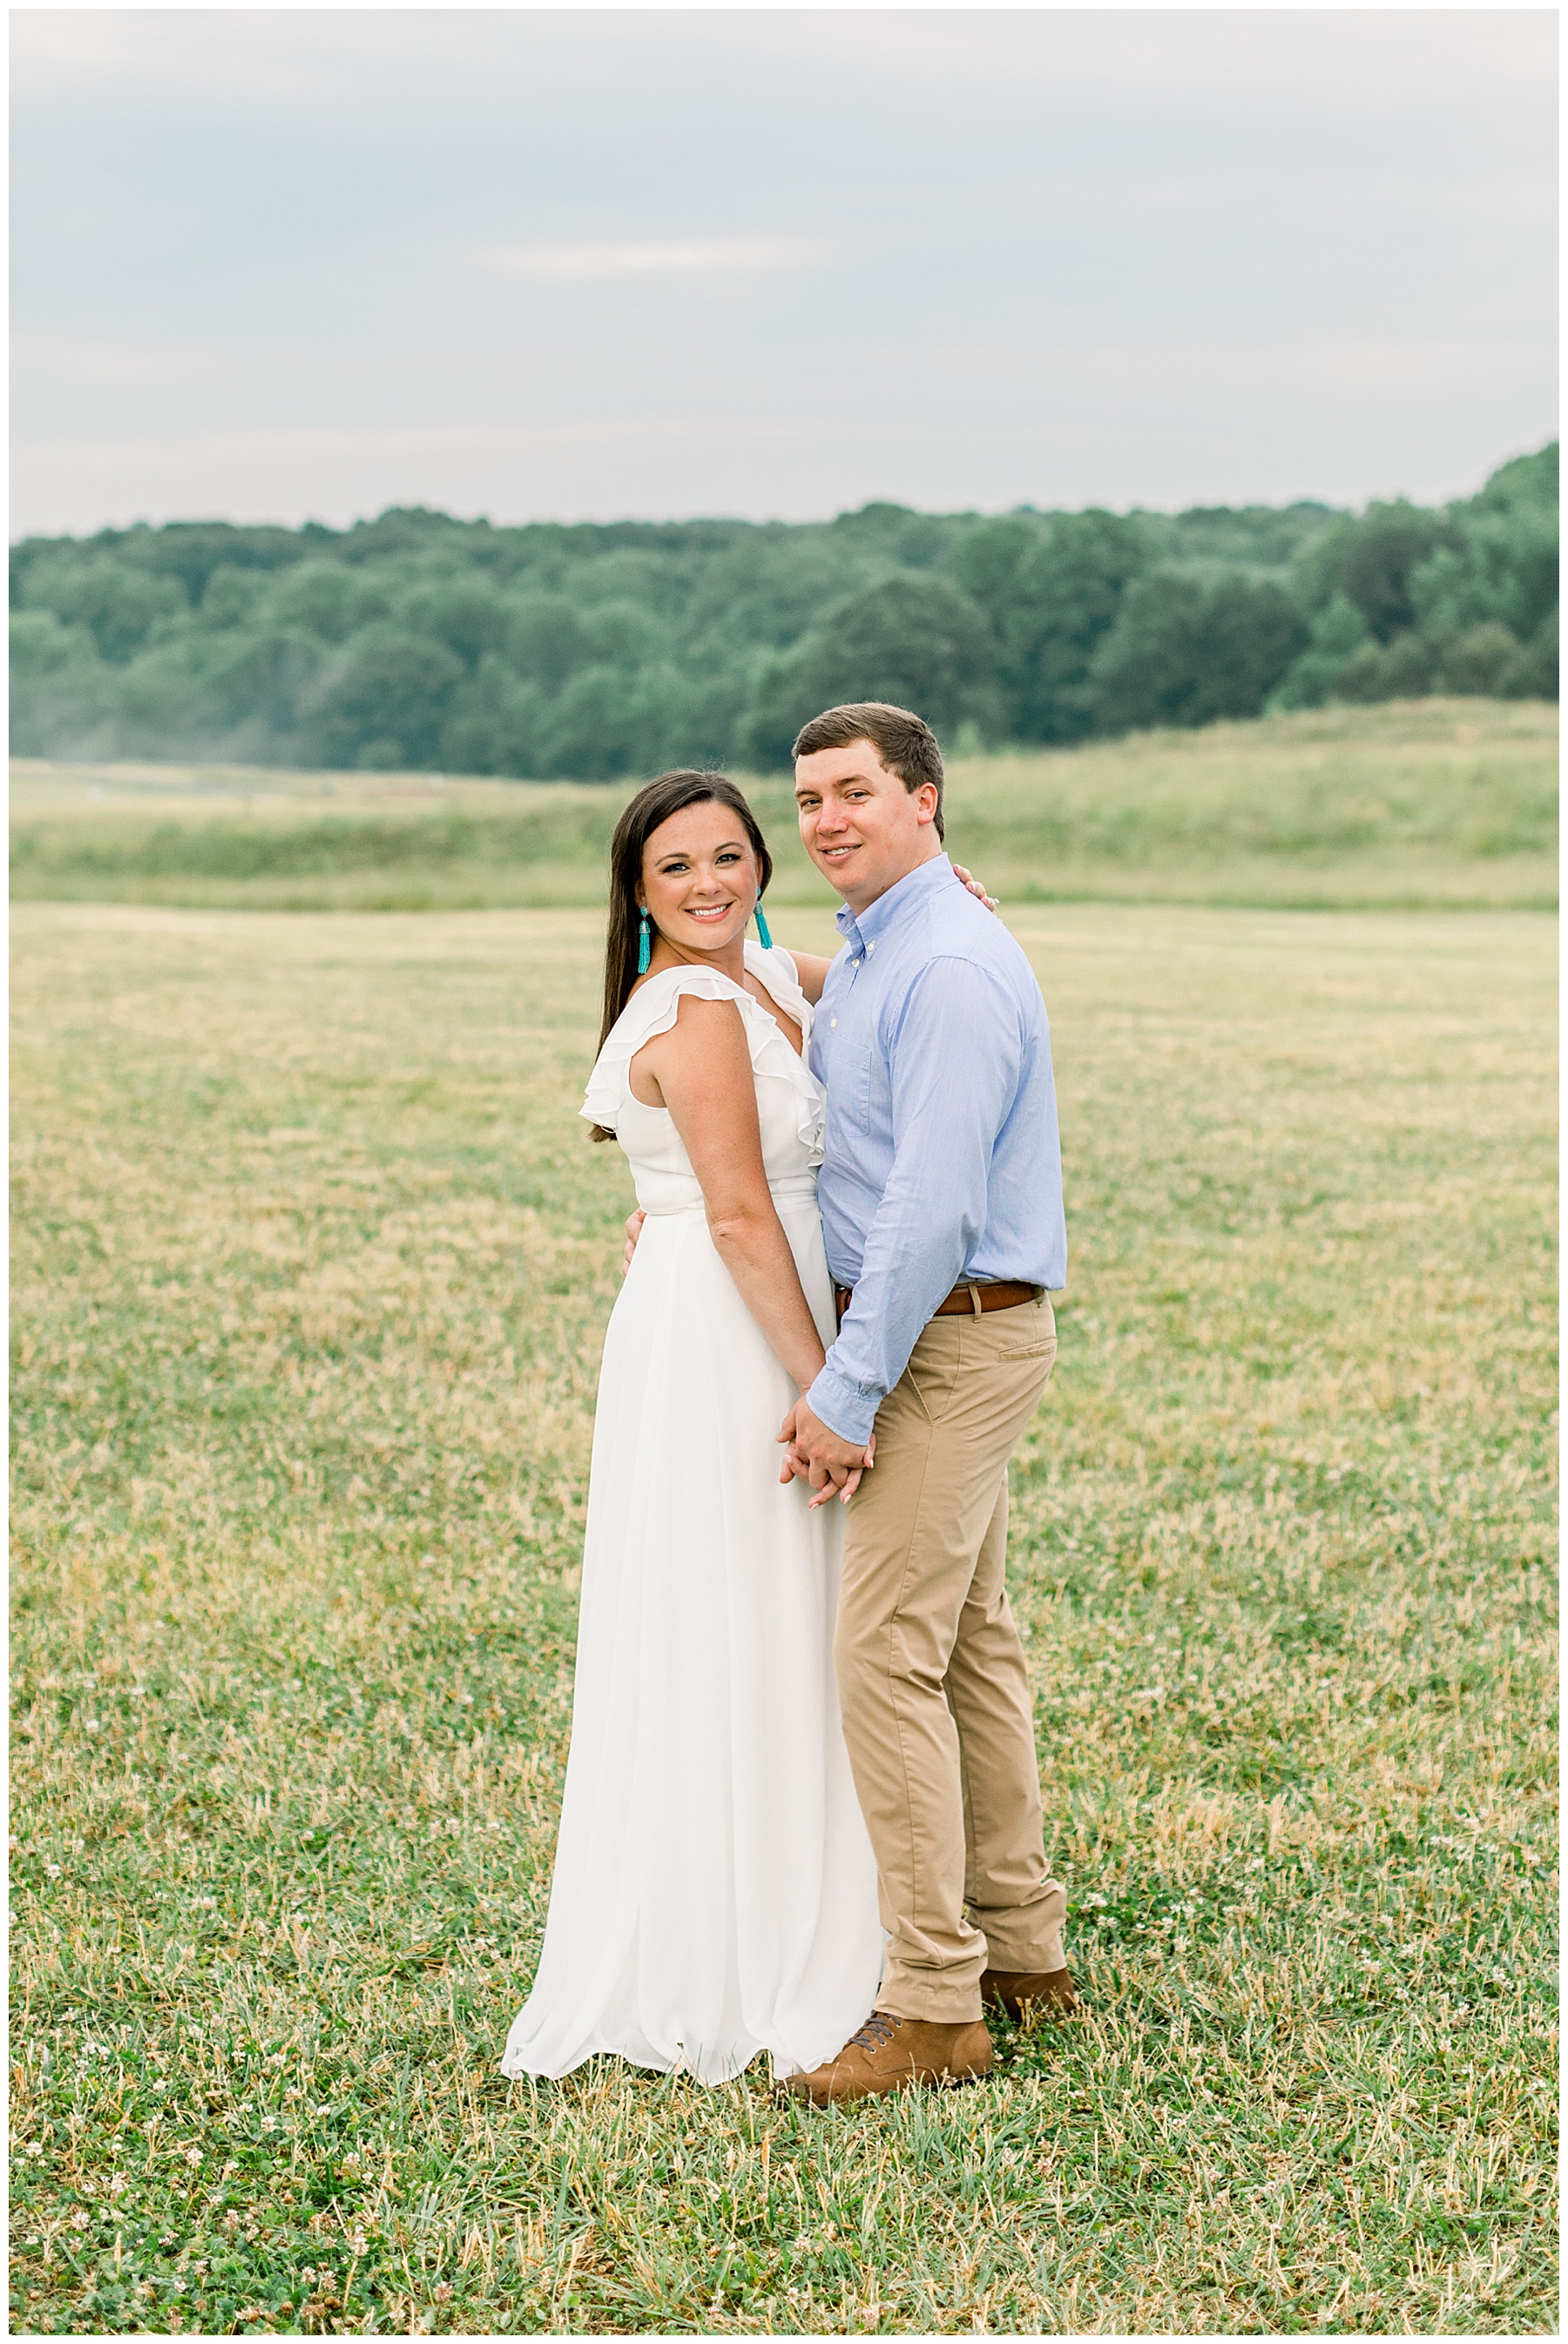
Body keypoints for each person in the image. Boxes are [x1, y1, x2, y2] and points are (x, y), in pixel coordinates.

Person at [501, 769, 997, 2085]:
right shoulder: (699, 1008)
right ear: (638, 893)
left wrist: (942, 900)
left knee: (788, 1610)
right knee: (746, 1610)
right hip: (734, 1332)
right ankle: (754, 1936)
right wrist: (827, 1387)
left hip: (738, 1303)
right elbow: (732, 1214)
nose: (711, 882)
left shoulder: (769, 976)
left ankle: (844, 1906)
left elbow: (860, 972)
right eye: (678, 869)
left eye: (732, 854)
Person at [771, 701, 1075, 2107]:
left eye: (855, 793)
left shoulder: (945, 962)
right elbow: (769, 971)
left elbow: (932, 1208)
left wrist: (846, 1386)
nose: (827, 820)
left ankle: (933, 2001)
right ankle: (1022, 1954)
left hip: (945, 1341)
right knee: (966, 1644)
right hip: (948, 1337)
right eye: (811, 799)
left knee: (883, 1653)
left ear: (926, 797)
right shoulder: (902, 941)